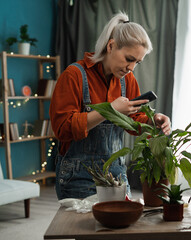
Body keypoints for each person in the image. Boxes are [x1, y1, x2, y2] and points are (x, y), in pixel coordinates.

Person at [50, 11, 171, 200]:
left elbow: (133, 120)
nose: (131, 68)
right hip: (79, 175)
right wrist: (111, 110)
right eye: (129, 59)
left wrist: (154, 120)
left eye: (137, 62)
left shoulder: (127, 80)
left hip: (117, 174)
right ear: (111, 45)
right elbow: (62, 129)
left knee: (124, 225)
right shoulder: (73, 75)